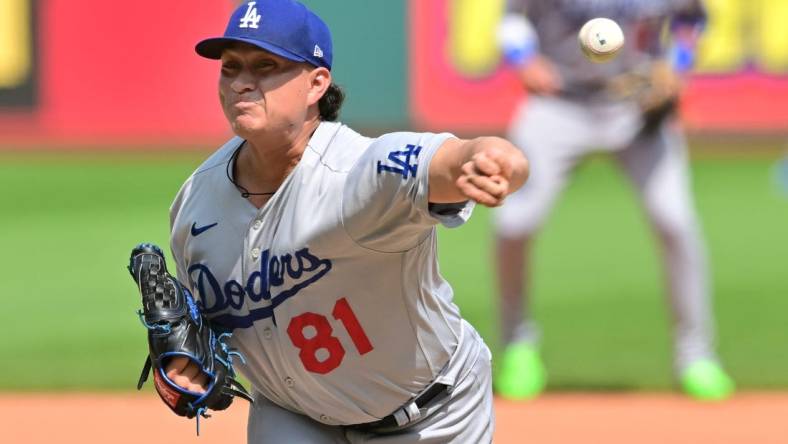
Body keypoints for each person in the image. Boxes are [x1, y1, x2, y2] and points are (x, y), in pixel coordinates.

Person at [162, 1, 528, 442]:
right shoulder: (195, 205)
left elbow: (453, 158)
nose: (242, 82)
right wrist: (186, 367)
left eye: (264, 65)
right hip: (293, 414)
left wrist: (495, 161)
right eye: (230, 67)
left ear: (316, 83)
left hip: (434, 418)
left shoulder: (359, 173)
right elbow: (207, 332)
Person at [493, 0, 734, 401]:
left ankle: (696, 357)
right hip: (558, 105)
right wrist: (524, 60)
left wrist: (678, 63)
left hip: (635, 106)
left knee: (675, 222)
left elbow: (693, 17)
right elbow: (511, 19)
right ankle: (519, 348)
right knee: (514, 225)